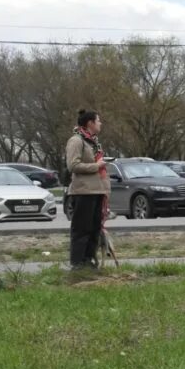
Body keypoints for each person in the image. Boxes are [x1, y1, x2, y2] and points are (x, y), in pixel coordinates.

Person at [65, 110, 109, 270]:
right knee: (82, 229)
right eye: (98, 120)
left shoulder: (93, 142)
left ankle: (89, 260)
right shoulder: (76, 141)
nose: (100, 123)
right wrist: (96, 166)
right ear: (90, 123)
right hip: (83, 192)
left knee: (94, 228)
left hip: (97, 190)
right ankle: (78, 263)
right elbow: (73, 165)